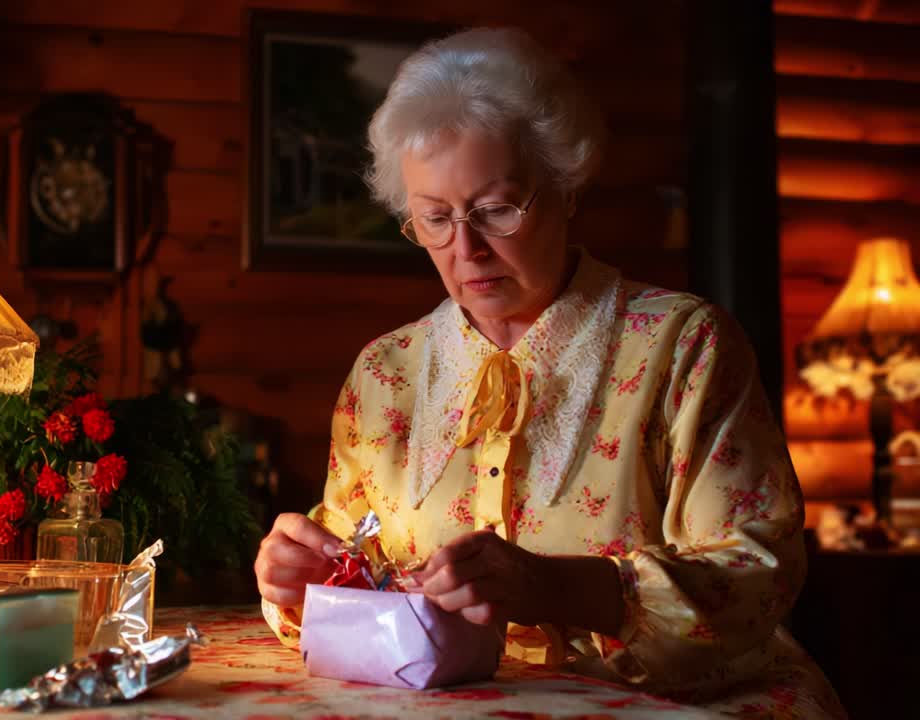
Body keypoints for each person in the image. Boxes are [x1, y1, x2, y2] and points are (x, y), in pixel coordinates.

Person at [254, 28, 844, 717]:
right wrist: (303, 586)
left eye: (496, 209)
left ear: (565, 187)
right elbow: (355, 587)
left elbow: (759, 573)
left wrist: (558, 588)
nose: (465, 249)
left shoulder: (684, 347)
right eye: (434, 218)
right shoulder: (386, 374)